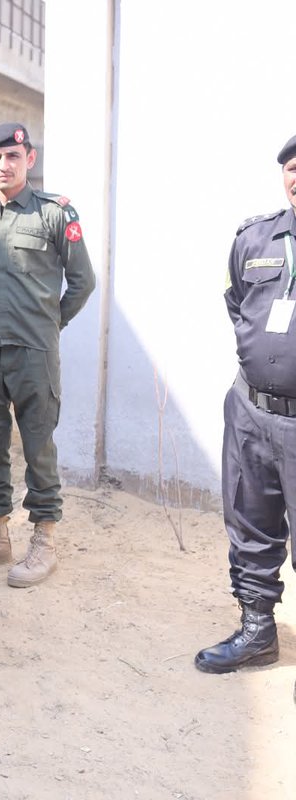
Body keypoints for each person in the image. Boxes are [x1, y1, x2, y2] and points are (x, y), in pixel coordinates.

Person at [0, 122, 95, 588]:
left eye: (13, 157)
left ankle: (44, 539)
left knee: (39, 445)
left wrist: (50, 323)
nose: (4, 165)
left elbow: (82, 282)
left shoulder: (54, 213)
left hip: (34, 351)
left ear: (29, 160)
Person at [195, 134, 296, 679]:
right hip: (251, 412)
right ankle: (258, 633)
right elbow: (237, 302)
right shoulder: (255, 237)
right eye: (291, 168)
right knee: (250, 523)